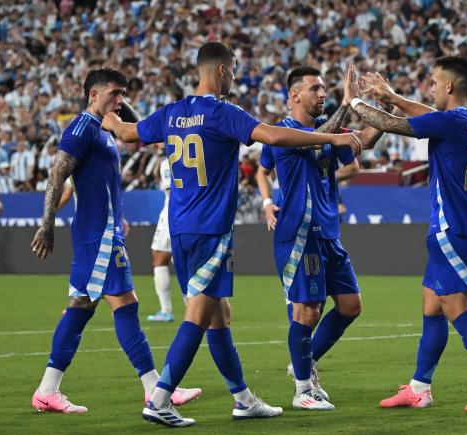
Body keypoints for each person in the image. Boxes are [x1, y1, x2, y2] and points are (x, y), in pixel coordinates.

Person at [102, 42, 362, 426]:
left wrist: (106, 115)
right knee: (199, 314)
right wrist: (332, 138)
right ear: (222, 71)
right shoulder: (223, 113)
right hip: (211, 229)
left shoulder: (173, 112)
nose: (237, 77)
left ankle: (243, 398)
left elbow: (126, 132)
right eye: (235, 70)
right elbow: (272, 137)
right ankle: (159, 399)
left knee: (219, 316)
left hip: (180, 227)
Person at [350, 56, 467, 412]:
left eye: (433, 81)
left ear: (449, 87)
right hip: (463, 223)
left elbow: (392, 125)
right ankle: (419, 387)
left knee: (457, 308)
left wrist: (353, 100)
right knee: (432, 306)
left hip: (452, 228)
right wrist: (394, 95)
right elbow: (426, 112)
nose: (429, 86)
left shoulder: (450, 122)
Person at [29, 68, 201, 415]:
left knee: (80, 306)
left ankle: (47, 390)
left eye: (123, 94)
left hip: (103, 231)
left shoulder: (103, 128)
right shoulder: (81, 129)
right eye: (114, 94)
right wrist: (46, 224)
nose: (120, 101)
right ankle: (155, 389)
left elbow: (138, 135)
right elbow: (57, 175)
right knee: (126, 304)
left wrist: (121, 105)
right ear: (93, 95)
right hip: (99, 236)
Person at [255, 65, 381, 410]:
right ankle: (302, 390)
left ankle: (304, 362)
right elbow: (265, 169)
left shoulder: (331, 132)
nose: (322, 93)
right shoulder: (281, 132)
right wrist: (267, 202)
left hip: (328, 232)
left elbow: (363, 143)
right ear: (294, 95)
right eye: (316, 88)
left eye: (325, 88)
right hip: (299, 232)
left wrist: (392, 109)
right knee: (307, 312)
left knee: (350, 306)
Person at [147, 157, 174, 322]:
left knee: (160, 257)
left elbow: (172, 193)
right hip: (195, 212)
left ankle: (166, 310)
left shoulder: (168, 160)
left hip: (174, 214)